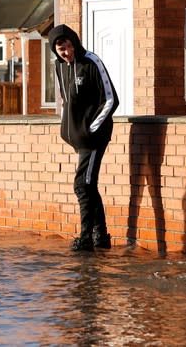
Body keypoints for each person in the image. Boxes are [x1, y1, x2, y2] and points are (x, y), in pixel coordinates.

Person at [48, 24, 119, 252]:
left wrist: (91, 129)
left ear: (74, 42)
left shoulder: (91, 62)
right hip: (78, 139)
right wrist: (67, 129)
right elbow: (66, 101)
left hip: (94, 138)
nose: (67, 52)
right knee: (89, 185)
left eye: (68, 46)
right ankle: (101, 237)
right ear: (56, 51)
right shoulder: (60, 68)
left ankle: (86, 238)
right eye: (61, 49)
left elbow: (111, 100)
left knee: (82, 185)